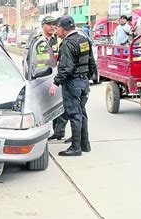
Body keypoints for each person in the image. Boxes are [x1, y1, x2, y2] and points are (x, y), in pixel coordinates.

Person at [49, 15, 96, 156]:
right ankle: (84, 144)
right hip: (83, 81)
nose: (56, 32)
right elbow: (91, 62)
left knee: (74, 114)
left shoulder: (67, 43)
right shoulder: (84, 39)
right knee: (82, 113)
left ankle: (76, 148)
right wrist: (88, 77)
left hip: (73, 82)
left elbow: (66, 68)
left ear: (63, 29)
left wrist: (55, 83)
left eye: (57, 29)